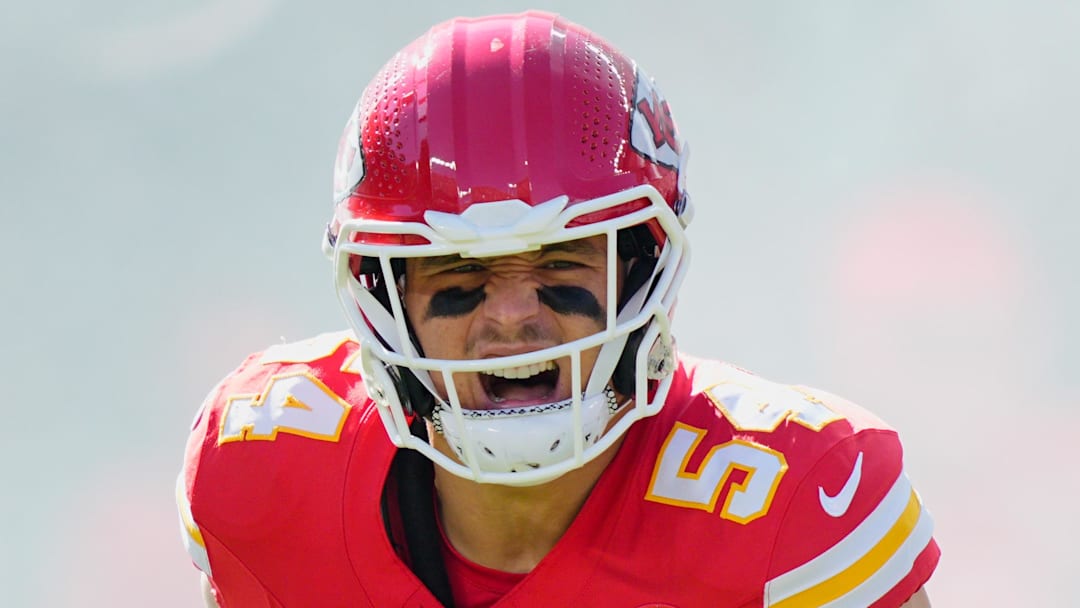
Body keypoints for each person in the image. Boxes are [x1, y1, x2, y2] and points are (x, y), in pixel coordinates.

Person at [176, 11, 939, 607]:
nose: (512, 316)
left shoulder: (798, 506)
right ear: (385, 291)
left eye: (561, 260)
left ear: (640, 266)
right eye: (457, 268)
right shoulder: (265, 469)